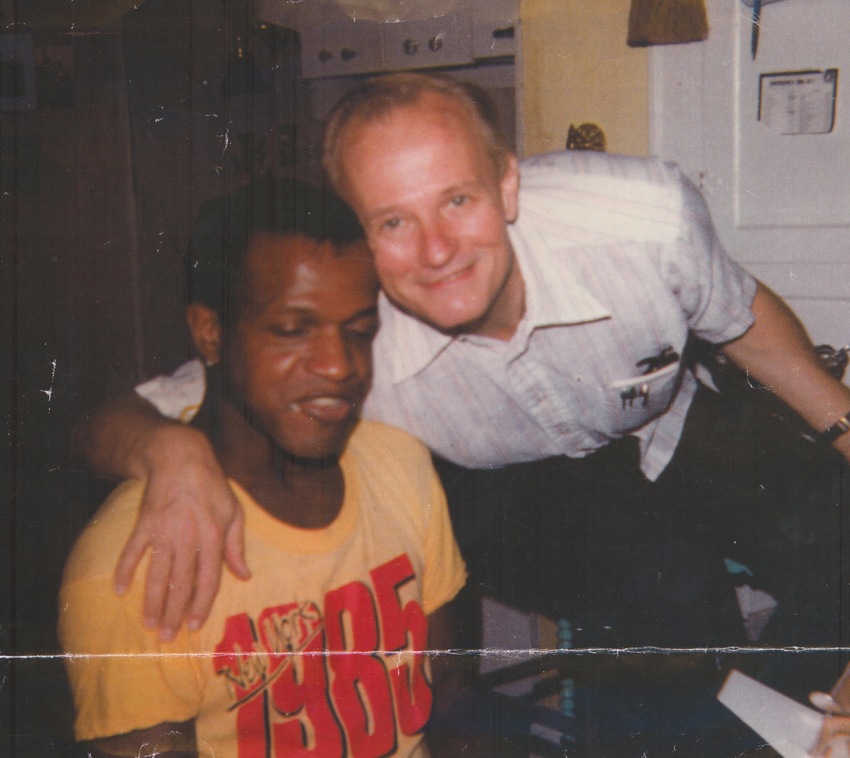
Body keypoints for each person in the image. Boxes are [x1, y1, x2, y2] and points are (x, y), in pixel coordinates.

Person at [77, 73, 850, 746]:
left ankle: (804, 732)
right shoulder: (348, 340)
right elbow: (118, 416)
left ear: (507, 185)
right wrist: (170, 453)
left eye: (457, 199)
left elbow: (751, 331)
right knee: (673, 604)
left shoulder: (643, 219)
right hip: (513, 482)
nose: (438, 249)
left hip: (663, 420)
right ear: (357, 234)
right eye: (393, 222)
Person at [60, 177, 476, 757]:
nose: (339, 365)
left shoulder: (400, 464)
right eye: (291, 330)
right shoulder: (133, 566)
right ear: (211, 334)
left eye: (359, 331)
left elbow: (448, 692)